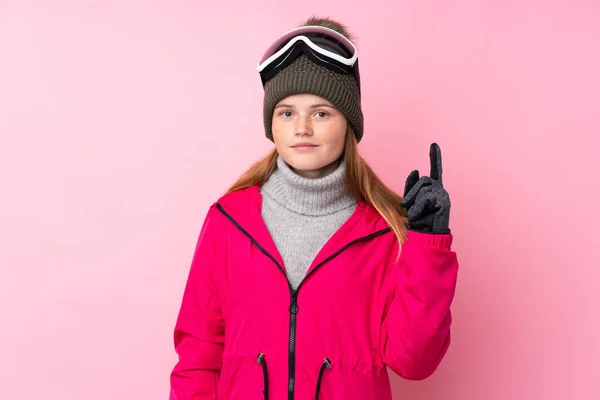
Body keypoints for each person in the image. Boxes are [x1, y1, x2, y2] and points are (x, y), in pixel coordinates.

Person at [169, 16, 459, 400]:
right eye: (286, 113)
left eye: (321, 112)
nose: (301, 128)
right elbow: (198, 356)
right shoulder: (228, 221)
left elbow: (414, 362)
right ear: (271, 124)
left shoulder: (385, 228)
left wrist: (428, 247)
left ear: (348, 124)